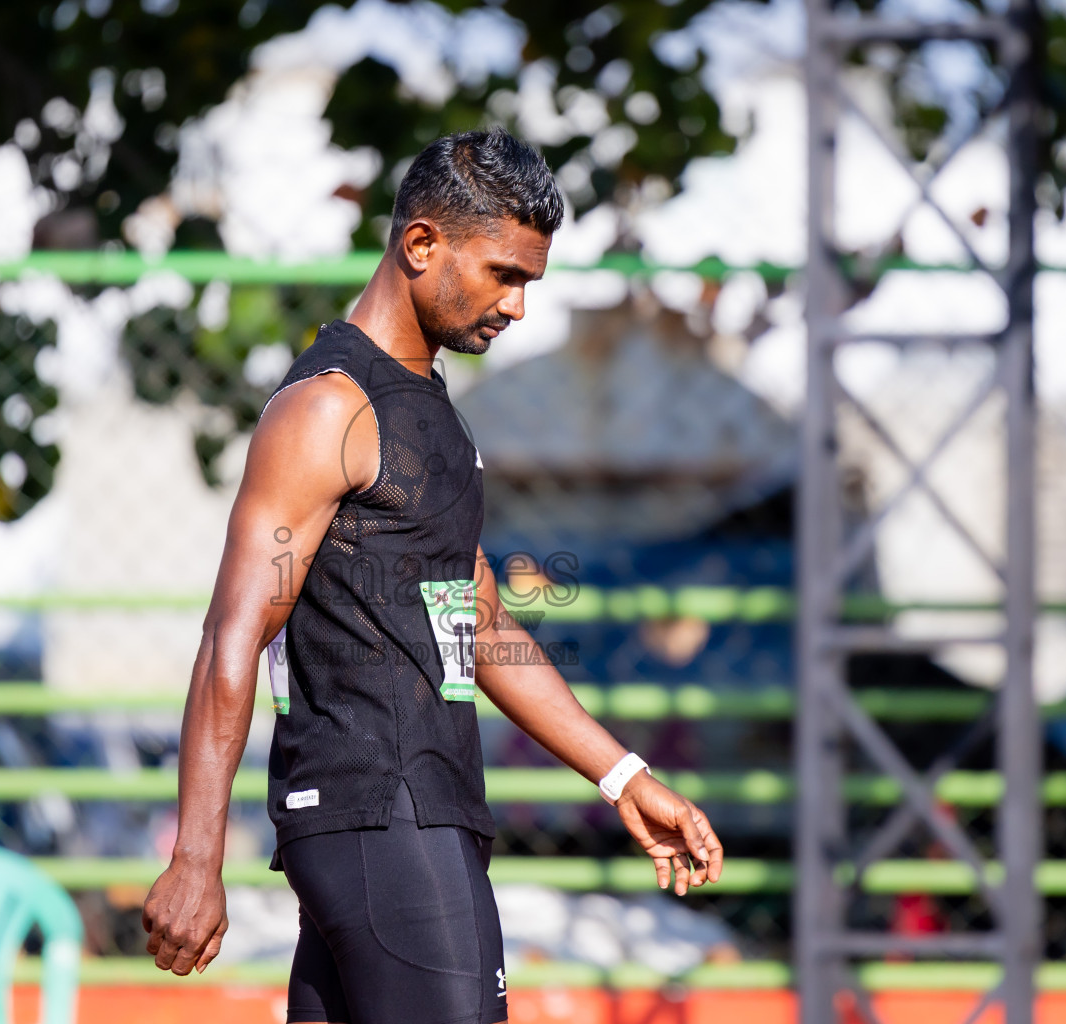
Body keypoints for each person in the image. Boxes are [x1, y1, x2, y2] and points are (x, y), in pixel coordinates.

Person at [142, 128, 724, 1024]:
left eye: (529, 281)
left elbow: (480, 624)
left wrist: (623, 777)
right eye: (504, 275)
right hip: (381, 815)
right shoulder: (330, 407)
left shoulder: (427, 412)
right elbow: (234, 633)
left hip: (411, 814)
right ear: (421, 244)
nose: (517, 306)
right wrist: (196, 857)